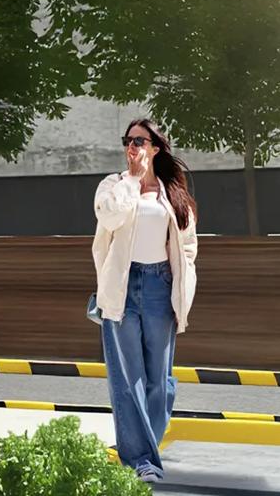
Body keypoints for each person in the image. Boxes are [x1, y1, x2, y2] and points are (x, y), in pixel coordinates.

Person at [92, 118, 199, 483]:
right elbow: (112, 217)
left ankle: (144, 450)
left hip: (159, 287)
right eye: (128, 140)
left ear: (156, 147)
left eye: (140, 140)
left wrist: (183, 288)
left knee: (161, 381)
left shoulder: (174, 194)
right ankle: (141, 460)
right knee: (128, 379)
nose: (132, 146)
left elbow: (187, 248)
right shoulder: (113, 186)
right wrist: (134, 180)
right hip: (123, 286)